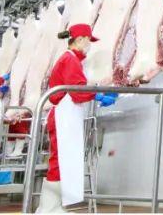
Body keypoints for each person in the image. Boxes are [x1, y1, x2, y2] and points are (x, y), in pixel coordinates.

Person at [37, 24, 117, 213]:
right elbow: (77, 90)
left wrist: (97, 90)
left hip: (66, 116)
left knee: (63, 160)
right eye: (89, 41)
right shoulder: (69, 59)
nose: (90, 45)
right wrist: (98, 95)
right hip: (63, 116)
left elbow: (77, 87)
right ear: (80, 39)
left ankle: (52, 206)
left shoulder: (71, 60)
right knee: (60, 161)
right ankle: (48, 208)